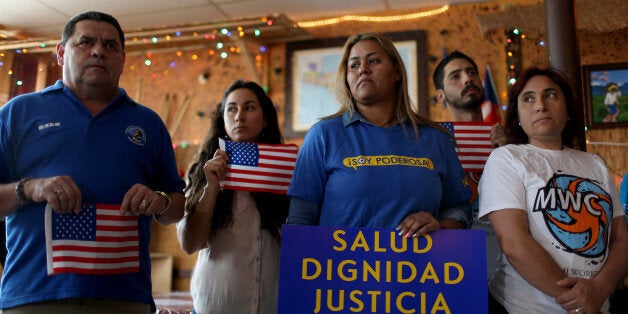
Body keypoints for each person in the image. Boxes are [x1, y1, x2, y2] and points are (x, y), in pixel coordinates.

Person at [0, 11, 185, 313]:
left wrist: (159, 200)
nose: (99, 51)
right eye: (85, 42)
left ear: (123, 59)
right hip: (34, 295)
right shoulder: (18, 113)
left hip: (125, 297)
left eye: (110, 46)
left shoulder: (148, 124)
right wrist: (30, 188)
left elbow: (176, 207)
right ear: (61, 53)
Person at [287, 32, 471, 237]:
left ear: (397, 72)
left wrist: (440, 225)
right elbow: (300, 220)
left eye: (373, 61)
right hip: (340, 267)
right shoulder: (322, 135)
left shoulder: (436, 138)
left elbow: (460, 209)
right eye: (354, 65)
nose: (363, 69)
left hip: (420, 267)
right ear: (346, 78)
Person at [478, 67, 628, 314]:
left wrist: (601, 288)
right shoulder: (507, 158)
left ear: (567, 108)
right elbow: (514, 242)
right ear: (516, 115)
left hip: (597, 305)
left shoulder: (595, 164)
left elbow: (621, 237)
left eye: (550, 95)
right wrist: (577, 301)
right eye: (528, 98)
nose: (540, 105)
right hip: (525, 307)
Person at [177, 80, 290, 314]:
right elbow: (190, 243)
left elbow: (294, 245)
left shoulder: (285, 171)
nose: (239, 116)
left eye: (249, 108)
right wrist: (211, 188)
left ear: (265, 118)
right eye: (231, 108)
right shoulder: (199, 172)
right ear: (222, 118)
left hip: (273, 304)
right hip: (215, 305)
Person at [432, 50, 504, 278]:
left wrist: (512, 151)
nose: (467, 78)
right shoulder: (430, 141)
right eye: (455, 76)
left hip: (506, 253)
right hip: (450, 253)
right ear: (441, 96)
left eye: (471, 72)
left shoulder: (511, 139)